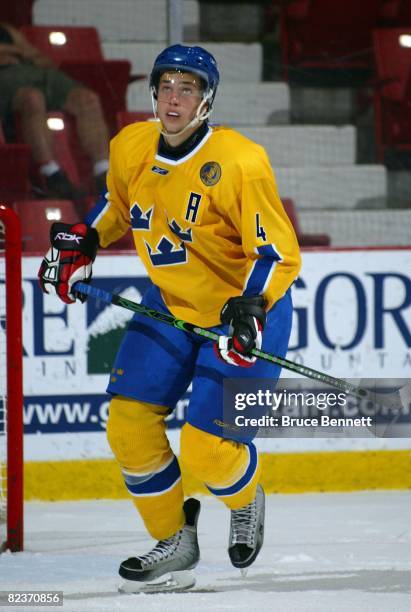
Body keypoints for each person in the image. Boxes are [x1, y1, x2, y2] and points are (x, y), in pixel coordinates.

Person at [38, 44, 301, 592]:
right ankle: (175, 543)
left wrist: (249, 311)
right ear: (153, 93)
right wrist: (85, 243)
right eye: (165, 86)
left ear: (207, 101)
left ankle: (245, 498)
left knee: (208, 452)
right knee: (128, 426)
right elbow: (117, 206)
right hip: (169, 306)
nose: (173, 98)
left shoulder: (239, 161)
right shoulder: (132, 144)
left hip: (242, 316)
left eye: (187, 88)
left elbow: (276, 253)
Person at [0, 22, 110, 200]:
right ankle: (52, 175)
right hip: (5, 77)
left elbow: (42, 60)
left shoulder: (7, 30)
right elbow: (24, 53)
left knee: (88, 99)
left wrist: (10, 51)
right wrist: (16, 52)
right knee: (32, 99)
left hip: (38, 73)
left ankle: (103, 172)